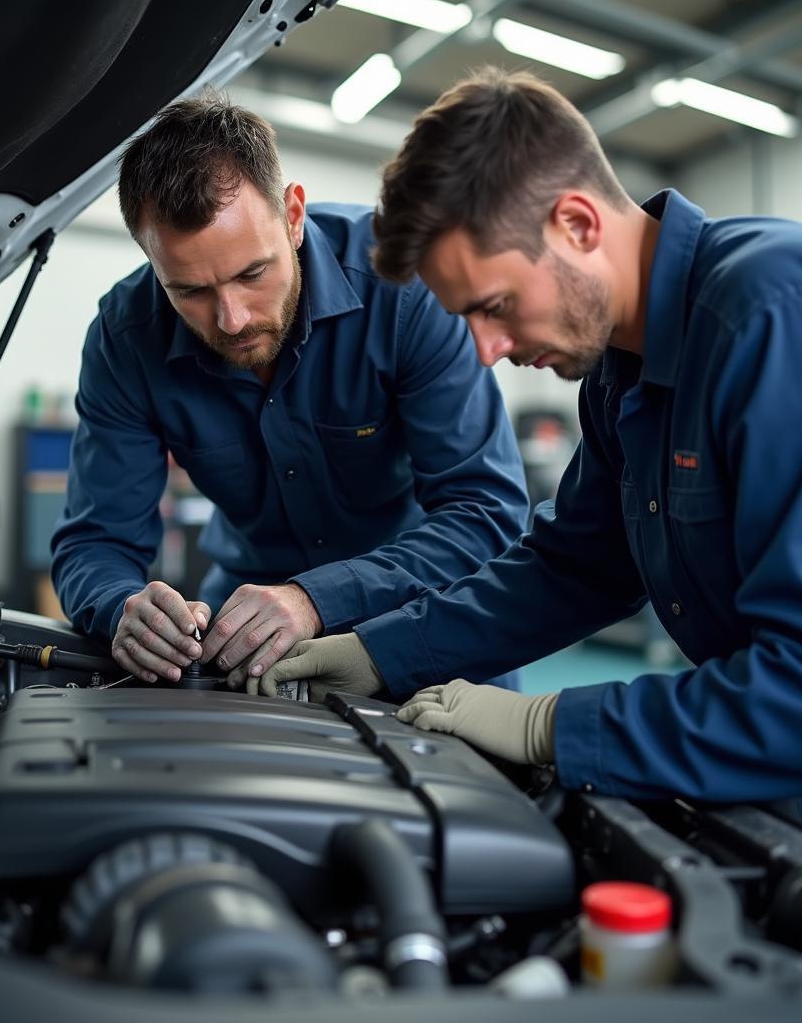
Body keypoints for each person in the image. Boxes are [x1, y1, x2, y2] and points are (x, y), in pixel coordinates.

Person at [257, 68, 802, 803]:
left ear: (577, 224)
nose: (486, 351)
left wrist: (555, 723)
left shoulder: (768, 317)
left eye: (496, 306)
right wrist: (375, 653)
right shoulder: (619, 376)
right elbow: (573, 569)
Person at [50, 95, 529, 690]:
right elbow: (96, 540)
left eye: (252, 274)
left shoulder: (406, 290)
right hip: (241, 634)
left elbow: (486, 517)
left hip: (426, 611)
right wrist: (121, 605)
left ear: (293, 214)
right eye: (190, 291)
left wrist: (314, 598)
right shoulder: (125, 339)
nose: (231, 319)